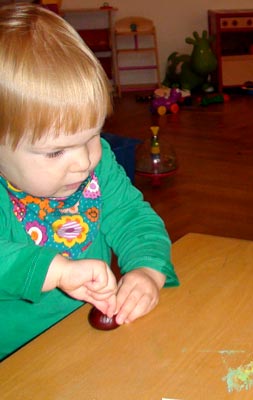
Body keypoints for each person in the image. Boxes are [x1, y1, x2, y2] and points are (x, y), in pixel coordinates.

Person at [0, 4, 179, 360]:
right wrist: (54, 269)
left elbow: (133, 219)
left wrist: (146, 269)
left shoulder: (97, 167)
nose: (83, 162)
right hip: (17, 361)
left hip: (88, 343)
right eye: (55, 152)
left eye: (93, 135)